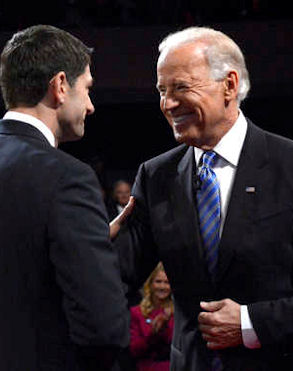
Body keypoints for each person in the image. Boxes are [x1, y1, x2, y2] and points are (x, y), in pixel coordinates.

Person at [124, 26, 293, 370]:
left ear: (229, 85)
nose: (167, 103)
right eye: (162, 90)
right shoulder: (156, 177)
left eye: (181, 87)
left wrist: (253, 322)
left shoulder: (287, 164)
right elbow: (118, 276)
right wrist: (89, 237)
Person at [0, 24, 131, 371]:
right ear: (60, 86)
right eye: (87, 89)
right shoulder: (67, 177)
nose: (90, 106)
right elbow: (104, 326)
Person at [130, 262, 174, 371]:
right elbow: (134, 350)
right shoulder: (137, 312)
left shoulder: (176, 313)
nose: (162, 287)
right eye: (158, 282)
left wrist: (165, 325)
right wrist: (153, 333)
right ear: (150, 284)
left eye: (167, 283)